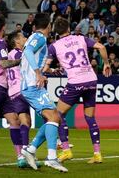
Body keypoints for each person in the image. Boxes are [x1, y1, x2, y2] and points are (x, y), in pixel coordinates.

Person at [43, 17, 111, 163]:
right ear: (68, 28)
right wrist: (106, 64)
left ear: (56, 31)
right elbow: (102, 47)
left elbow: (45, 68)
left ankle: (66, 150)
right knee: (90, 118)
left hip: (75, 82)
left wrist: (53, 70)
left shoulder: (54, 46)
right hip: (91, 80)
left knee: (58, 114)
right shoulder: (81, 38)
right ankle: (97, 154)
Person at [19, 13, 68, 172]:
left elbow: (28, 57)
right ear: (48, 26)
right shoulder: (39, 38)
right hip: (32, 86)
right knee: (54, 117)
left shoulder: (34, 37)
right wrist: (38, 73)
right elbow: (27, 54)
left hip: (34, 85)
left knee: (53, 118)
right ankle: (52, 158)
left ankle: (30, 150)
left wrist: (48, 71)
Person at [0, 31, 32, 168]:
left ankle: (21, 156)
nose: (26, 38)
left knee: (16, 122)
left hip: (9, 91)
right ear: (17, 42)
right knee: (27, 121)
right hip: (21, 90)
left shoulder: (8, 56)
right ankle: (57, 141)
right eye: (23, 37)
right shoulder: (20, 54)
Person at [0, 14, 21, 123]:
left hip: (1, 85)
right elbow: (3, 63)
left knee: (14, 119)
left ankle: (20, 141)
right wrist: (22, 61)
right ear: (3, 27)